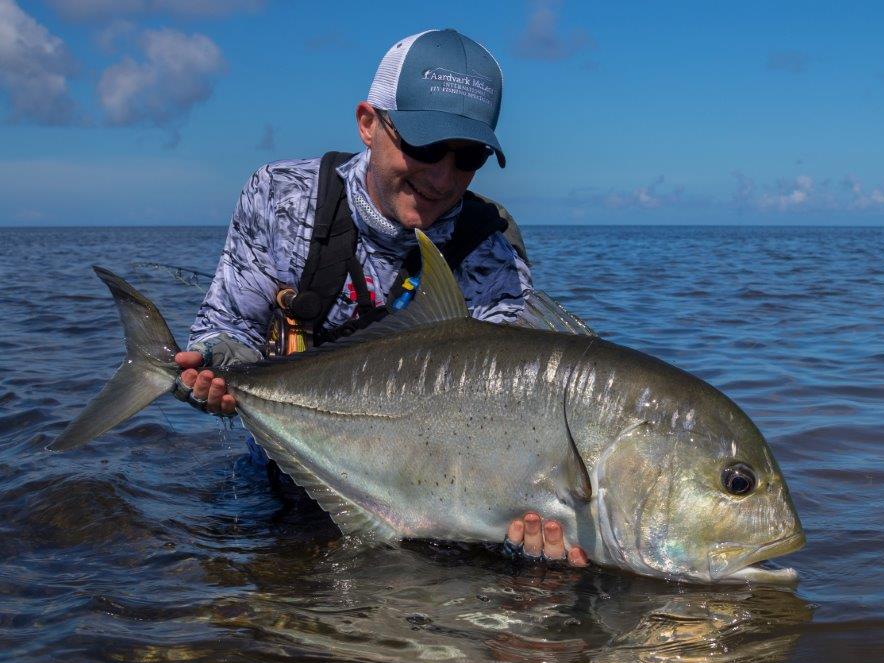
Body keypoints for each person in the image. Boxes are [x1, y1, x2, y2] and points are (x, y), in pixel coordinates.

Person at [174, 29, 587, 567]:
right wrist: (216, 367)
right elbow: (227, 326)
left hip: (424, 497)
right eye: (423, 145)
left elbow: (510, 402)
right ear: (368, 124)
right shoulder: (282, 198)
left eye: (469, 158)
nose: (442, 177)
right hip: (287, 467)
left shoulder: (490, 243)